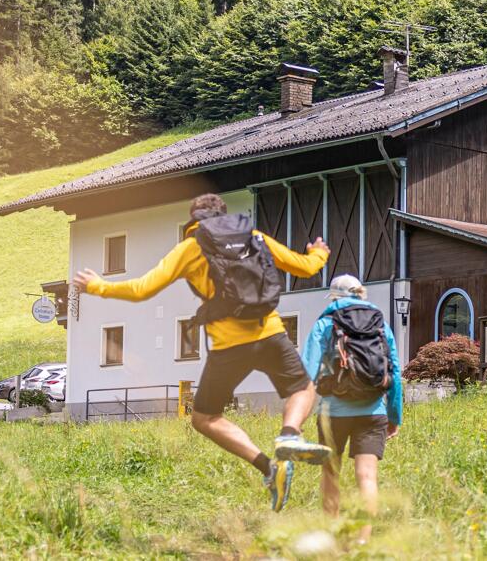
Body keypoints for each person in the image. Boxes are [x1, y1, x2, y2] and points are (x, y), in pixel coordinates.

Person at [72, 193, 334, 511]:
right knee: (303, 389)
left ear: (193, 219)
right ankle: (289, 435)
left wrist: (97, 285)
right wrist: (319, 253)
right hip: (270, 332)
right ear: (224, 213)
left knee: (205, 418)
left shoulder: (190, 247)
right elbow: (304, 268)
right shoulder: (254, 236)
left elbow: (142, 289)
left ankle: (267, 467)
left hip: (228, 346)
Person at [301, 275, 402, 540]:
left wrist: (296, 419)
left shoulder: (325, 324)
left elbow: (306, 373)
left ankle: (332, 537)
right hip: (373, 412)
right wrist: (394, 416)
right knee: (367, 477)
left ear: (334, 297)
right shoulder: (381, 325)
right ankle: (362, 542)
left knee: (330, 473)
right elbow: (395, 372)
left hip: (333, 413)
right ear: (361, 294)